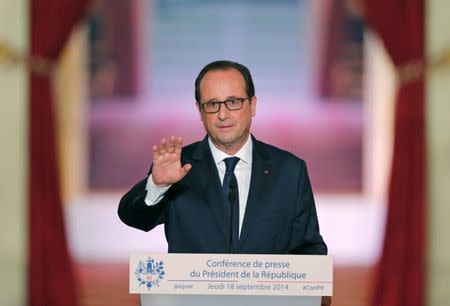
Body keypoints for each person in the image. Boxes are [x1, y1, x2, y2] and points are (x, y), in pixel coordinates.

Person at [118, 60, 327, 255]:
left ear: (252, 105)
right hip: (192, 295)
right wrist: (157, 185)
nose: (223, 114)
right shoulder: (179, 166)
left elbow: (309, 248)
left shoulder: (289, 170)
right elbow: (134, 218)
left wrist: (315, 288)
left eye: (233, 102)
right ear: (200, 111)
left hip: (266, 294)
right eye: (212, 104)